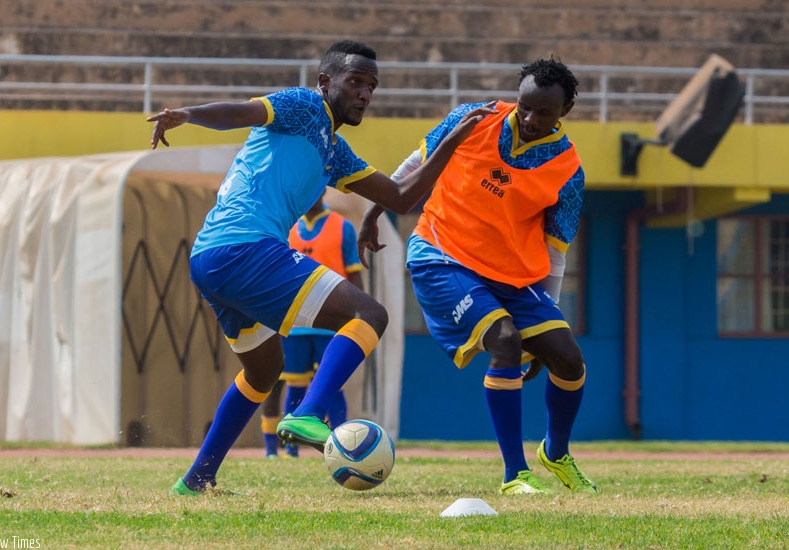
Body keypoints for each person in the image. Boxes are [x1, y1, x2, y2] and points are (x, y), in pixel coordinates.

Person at [147, 39, 496, 495]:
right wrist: (189, 113)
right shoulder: (304, 105)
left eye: (372, 86)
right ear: (325, 82)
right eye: (355, 82)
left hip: (212, 257)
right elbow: (240, 112)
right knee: (370, 314)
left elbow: (401, 197)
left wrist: (450, 144)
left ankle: (197, 479)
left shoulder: (335, 150)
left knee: (262, 371)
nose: (365, 94)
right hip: (244, 248)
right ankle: (309, 412)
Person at [358, 58, 597, 495]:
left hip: (512, 273)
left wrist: (549, 321)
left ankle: (556, 452)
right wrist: (374, 212)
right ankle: (515, 476)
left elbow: (555, 253)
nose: (529, 118)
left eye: (543, 112)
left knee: (568, 357)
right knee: (504, 341)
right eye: (525, 106)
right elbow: (417, 160)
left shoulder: (568, 170)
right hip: (442, 253)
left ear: (565, 111)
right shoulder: (474, 119)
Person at [261, 194, 364, 458]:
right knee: (294, 384)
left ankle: (342, 447)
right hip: (295, 323)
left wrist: (359, 316)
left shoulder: (342, 227)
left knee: (333, 385)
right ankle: (285, 451)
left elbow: (354, 275)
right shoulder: (288, 228)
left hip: (330, 323)